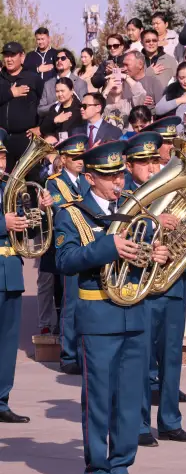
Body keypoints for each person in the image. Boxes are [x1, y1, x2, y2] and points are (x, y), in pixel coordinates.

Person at [54, 140, 168, 474]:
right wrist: (108, 246)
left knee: (131, 398)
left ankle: (121, 466)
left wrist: (157, 254)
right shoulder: (72, 214)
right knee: (99, 399)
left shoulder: (135, 209)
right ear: (90, 177)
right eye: (108, 176)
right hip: (99, 317)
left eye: (119, 174)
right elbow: (65, 261)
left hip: (134, 313)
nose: (117, 181)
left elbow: (145, 254)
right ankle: (98, 471)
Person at [126, 132, 186, 447]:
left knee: (172, 355)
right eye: (144, 162)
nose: (152, 167)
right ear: (129, 165)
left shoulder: (173, 190)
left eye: (153, 160)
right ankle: (139, 424)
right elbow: (120, 233)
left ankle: (170, 421)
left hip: (174, 281)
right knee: (142, 356)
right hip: (142, 284)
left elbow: (185, 232)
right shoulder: (125, 196)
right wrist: (154, 220)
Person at [0, 128, 53, 424]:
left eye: (3, 157)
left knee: (7, 344)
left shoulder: (12, 188)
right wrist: (2, 223)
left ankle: (1, 400)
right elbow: (7, 224)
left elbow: (27, 229)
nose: (1, 163)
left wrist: (40, 212)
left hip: (10, 272)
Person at [46, 134, 90, 375]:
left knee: (88, 302)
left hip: (90, 246)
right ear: (63, 159)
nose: (80, 161)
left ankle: (84, 353)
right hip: (71, 246)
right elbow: (63, 208)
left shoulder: (87, 179)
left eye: (82, 156)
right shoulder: (54, 182)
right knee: (71, 303)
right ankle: (68, 355)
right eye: (75, 157)